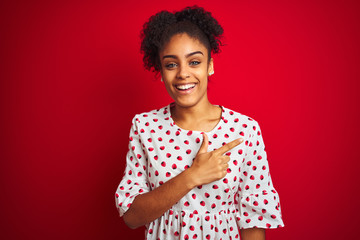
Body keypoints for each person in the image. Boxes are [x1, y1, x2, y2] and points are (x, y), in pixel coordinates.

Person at [115, 6, 284, 240]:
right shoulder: (145, 127)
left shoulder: (245, 130)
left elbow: (253, 221)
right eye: (171, 64)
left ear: (210, 66)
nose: (183, 73)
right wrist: (193, 175)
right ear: (161, 72)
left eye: (194, 62)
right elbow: (132, 218)